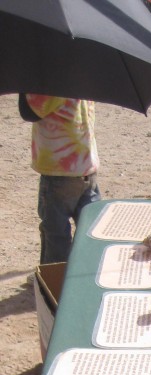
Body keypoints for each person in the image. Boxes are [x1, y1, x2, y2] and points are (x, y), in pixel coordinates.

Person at [19, 94, 101, 265]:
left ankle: (54, 282)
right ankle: (84, 275)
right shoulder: (81, 81)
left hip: (59, 171)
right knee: (90, 231)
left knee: (56, 234)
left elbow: (28, 111)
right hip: (87, 167)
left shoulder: (53, 85)